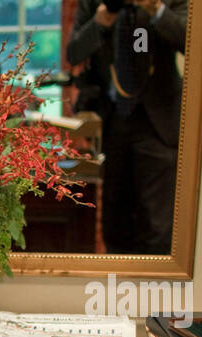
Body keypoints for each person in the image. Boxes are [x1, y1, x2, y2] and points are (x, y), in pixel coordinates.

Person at [67, 0, 187, 253]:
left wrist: (156, 9)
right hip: (114, 121)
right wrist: (100, 22)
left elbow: (192, 43)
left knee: (158, 226)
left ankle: (155, 290)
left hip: (158, 122)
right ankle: (117, 290)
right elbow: (74, 52)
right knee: (115, 224)